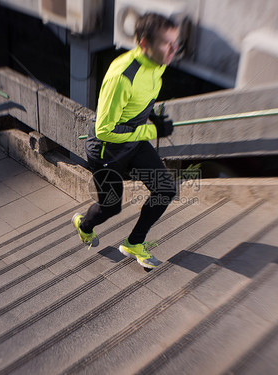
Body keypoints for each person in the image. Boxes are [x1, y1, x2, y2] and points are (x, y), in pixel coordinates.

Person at [72, 12, 179, 269]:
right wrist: (152, 132)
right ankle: (84, 225)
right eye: (167, 43)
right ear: (144, 44)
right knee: (111, 207)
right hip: (106, 150)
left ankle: (134, 242)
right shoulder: (122, 75)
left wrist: (153, 116)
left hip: (132, 141)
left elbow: (143, 97)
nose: (174, 49)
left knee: (165, 190)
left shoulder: (159, 63)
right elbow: (105, 129)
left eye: (176, 42)